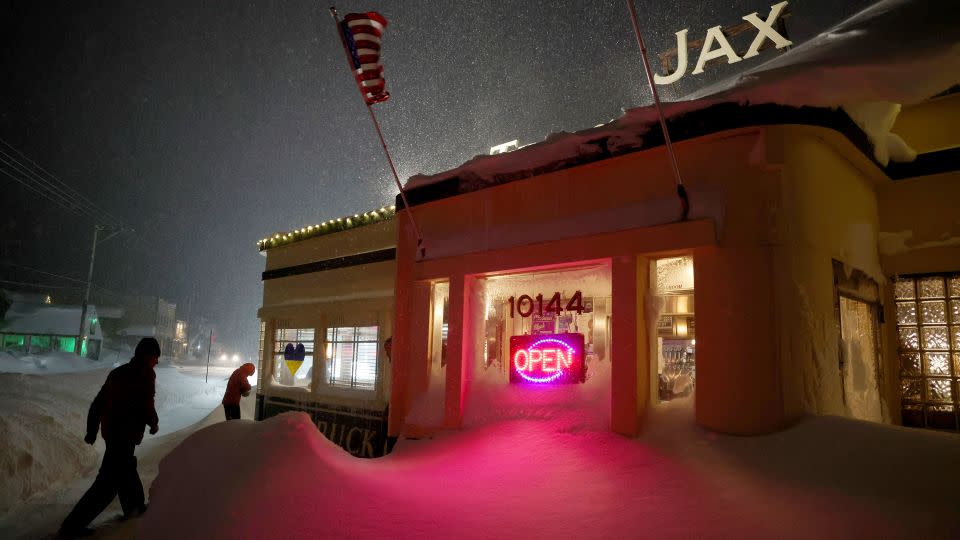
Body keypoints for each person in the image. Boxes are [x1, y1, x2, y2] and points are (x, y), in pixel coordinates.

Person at [59, 337, 161, 538]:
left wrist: (92, 429)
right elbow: (146, 403)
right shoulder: (145, 374)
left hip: (113, 433)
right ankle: (72, 526)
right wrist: (154, 422)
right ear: (148, 356)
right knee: (107, 485)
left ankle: (135, 510)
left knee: (125, 472)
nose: (157, 361)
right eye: (156, 357)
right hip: (125, 434)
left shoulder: (118, 373)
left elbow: (98, 403)